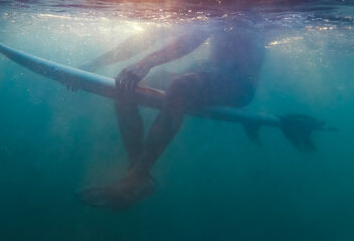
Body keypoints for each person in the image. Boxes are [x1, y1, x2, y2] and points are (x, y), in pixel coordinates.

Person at [76, 16, 265, 210]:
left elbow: (191, 40)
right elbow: (149, 36)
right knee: (126, 84)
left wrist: (145, 63)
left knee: (180, 86)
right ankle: (136, 173)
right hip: (210, 70)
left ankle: (138, 176)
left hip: (242, 84)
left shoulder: (230, 8)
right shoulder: (199, 7)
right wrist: (93, 64)